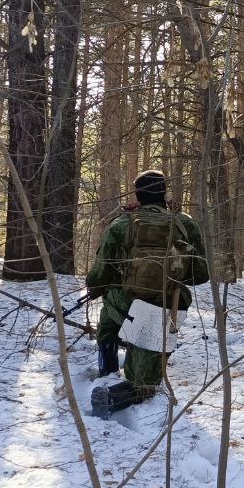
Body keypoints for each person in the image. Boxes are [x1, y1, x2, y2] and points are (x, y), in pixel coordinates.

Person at [86, 169, 209, 416]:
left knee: (108, 313)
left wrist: (98, 288)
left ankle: (107, 369)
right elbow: (201, 275)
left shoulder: (121, 224)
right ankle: (128, 376)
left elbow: (99, 276)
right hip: (172, 305)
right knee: (146, 369)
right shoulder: (185, 223)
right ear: (164, 192)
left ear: (138, 195)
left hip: (130, 305)